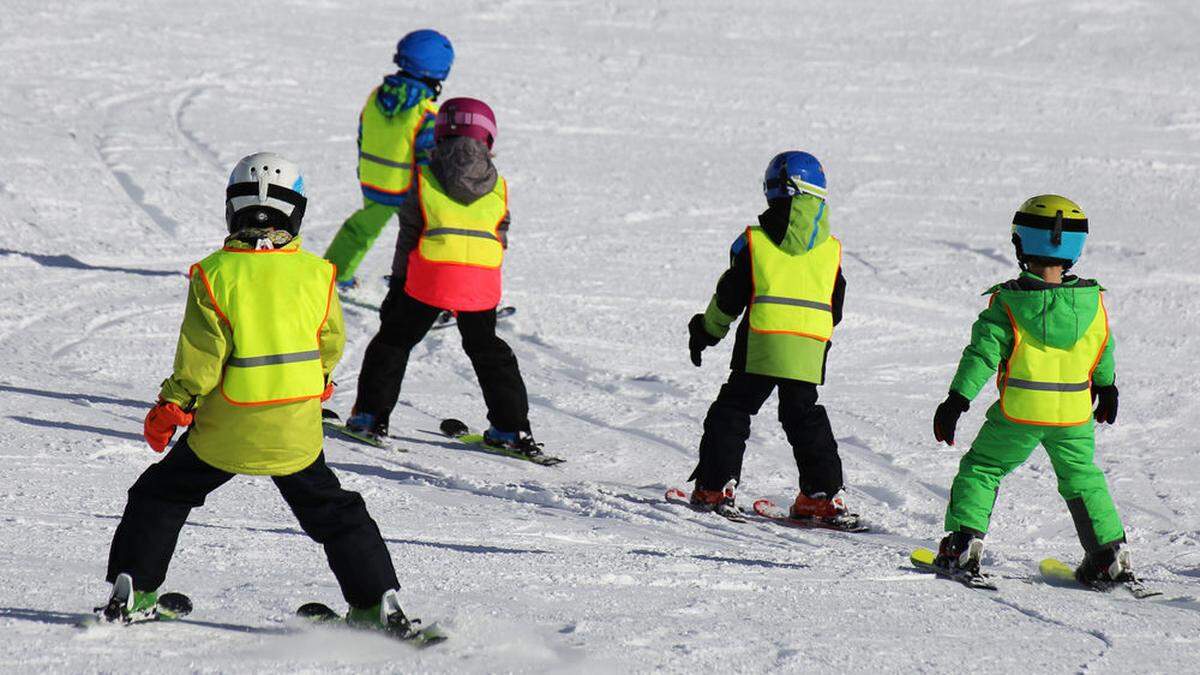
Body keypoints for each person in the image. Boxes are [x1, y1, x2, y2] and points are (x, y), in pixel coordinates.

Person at [97, 153, 416, 636]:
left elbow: (201, 360)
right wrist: (316, 381)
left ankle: (134, 591)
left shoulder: (214, 274)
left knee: (161, 495)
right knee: (335, 511)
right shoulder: (318, 274)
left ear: (233, 210)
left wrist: (172, 405)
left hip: (226, 433)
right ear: (297, 211)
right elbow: (329, 343)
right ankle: (376, 604)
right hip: (295, 432)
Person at [930, 194, 1132, 587]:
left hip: (1019, 415)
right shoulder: (1091, 302)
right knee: (1084, 479)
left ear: (1021, 242)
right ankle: (1109, 555)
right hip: (1074, 416)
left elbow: (982, 355)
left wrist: (957, 400)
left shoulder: (1009, 304)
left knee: (983, 468)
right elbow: (1102, 346)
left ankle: (963, 544)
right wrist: (1107, 387)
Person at [342, 97, 541, 456]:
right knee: (488, 350)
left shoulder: (423, 178)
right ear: (488, 140)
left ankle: (371, 417)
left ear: (440, 133)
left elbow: (409, 237)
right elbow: (501, 233)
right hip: (481, 282)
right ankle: (513, 430)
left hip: (429, 278)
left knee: (394, 342)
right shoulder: (498, 185)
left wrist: (399, 287)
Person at [686, 151, 850, 521]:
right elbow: (835, 307)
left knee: (733, 410)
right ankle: (822, 495)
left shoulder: (755, 242)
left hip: (763, 342)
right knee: (803, 416)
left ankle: (715, 486)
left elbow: (729, 298)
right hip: (809, 349)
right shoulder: (831, 250)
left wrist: (705, 331)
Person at [323, 29, 454, 289]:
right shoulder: (425, 112)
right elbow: (428, 158)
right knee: (421, 234)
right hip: (407, 187)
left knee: (361, 229)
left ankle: (335, 273)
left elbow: (363, 133)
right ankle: (416, 283)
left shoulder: (376, 96)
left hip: (373, 179)